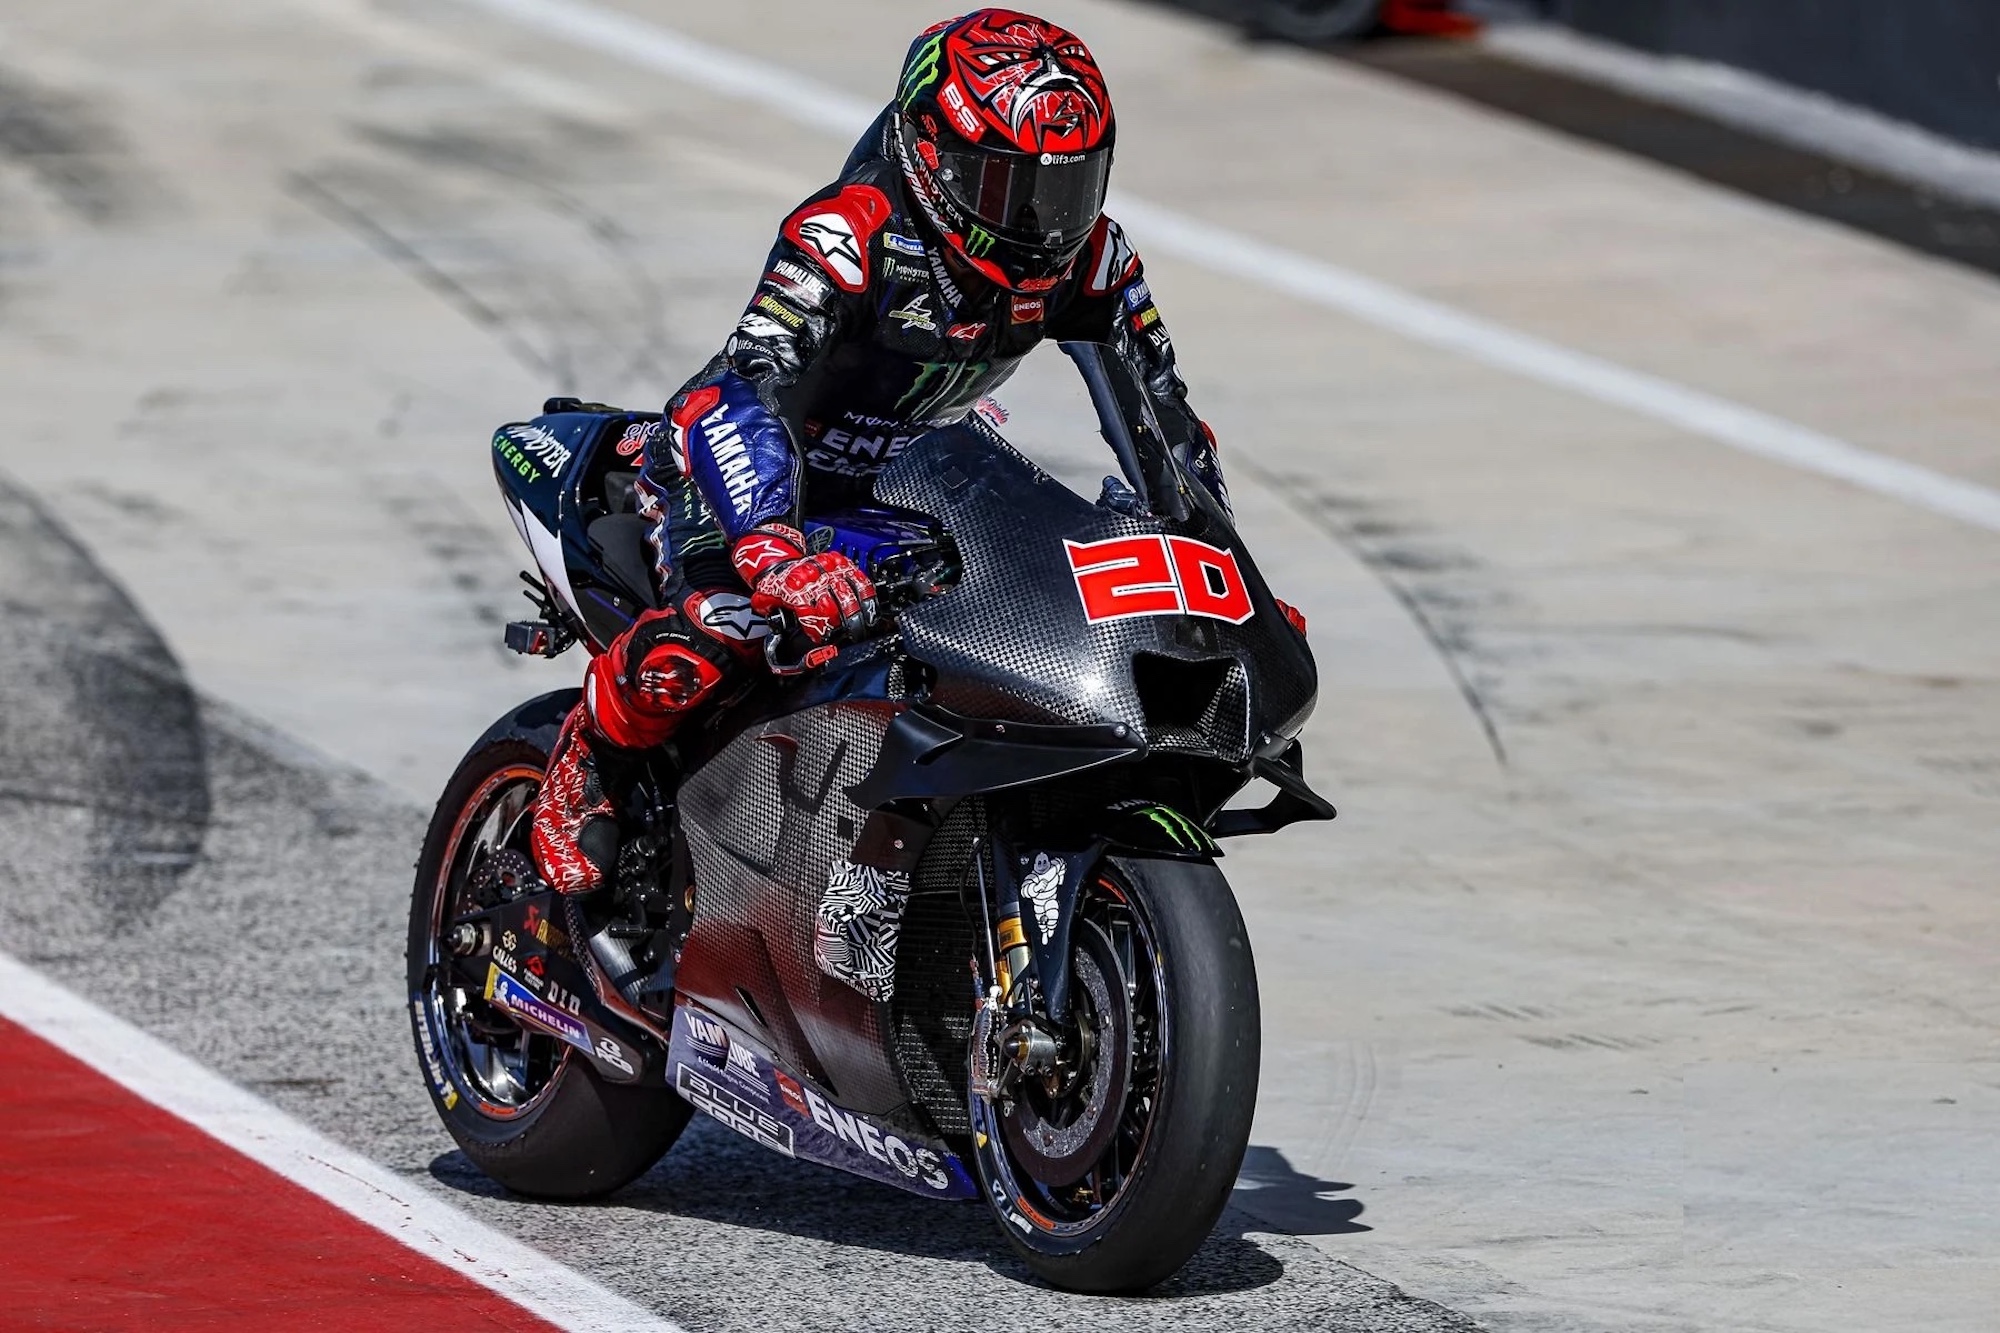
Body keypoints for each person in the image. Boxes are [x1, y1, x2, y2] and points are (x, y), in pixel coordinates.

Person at [531, 7, 1284, 893]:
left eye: (1070, 188)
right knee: (727, 626)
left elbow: (1163, 422)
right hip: (741, 469)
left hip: (905, 476)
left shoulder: (1092, 261)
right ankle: (592, 758)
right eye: (1012, 189)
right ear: (934, 159)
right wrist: (776, 552)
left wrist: (1217, 571)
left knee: (1009, 618)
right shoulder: (848, 236)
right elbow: (748, 388)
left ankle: (895, 860)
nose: (1045, 222)